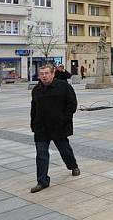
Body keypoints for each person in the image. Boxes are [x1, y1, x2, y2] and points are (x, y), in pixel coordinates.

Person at [30, 64, 80, 193]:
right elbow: (33, 108)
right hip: (41, 127)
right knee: (41, 155)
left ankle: (73, 166)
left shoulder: (64, 87)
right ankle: (42, 181)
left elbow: (72, 104)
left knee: (65, 150)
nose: (44, 76)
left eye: (47, 73)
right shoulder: (36, 90)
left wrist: (65, 119)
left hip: (59, 126)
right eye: (42, 74)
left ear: (53, 74)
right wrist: (33, 124)